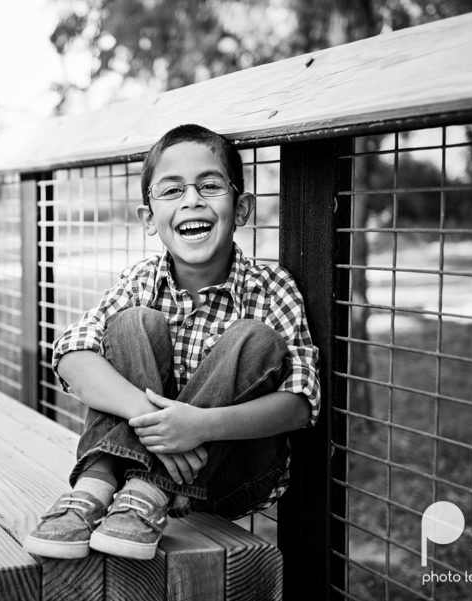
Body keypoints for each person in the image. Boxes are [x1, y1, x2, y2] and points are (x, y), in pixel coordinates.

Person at [23, 124, 320, 561]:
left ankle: (147, 489)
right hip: (128, 469)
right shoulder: (141, 280)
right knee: (130, 324)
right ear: (148, 218)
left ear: (241, 209)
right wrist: (156, 421)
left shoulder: (272, 287)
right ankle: (95, 488)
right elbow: (72, 353)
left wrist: (199, 425)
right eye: (172, 190)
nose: (192, 200)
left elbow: (300, 403)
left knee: (255, 341)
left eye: (210, 185)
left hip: (230, 477)